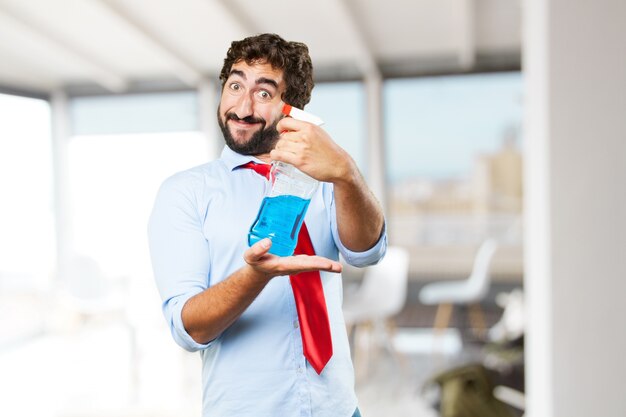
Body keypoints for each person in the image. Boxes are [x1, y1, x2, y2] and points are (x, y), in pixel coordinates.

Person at [148, 33, 386, 417]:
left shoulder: (326, 178)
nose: (242, 105)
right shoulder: (186, 192)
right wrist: (256, 274)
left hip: (338, 408)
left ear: (292, 109)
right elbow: (189, 328)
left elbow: (366, 251)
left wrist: (346, 173)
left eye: (263, 93)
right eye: (235, 85)